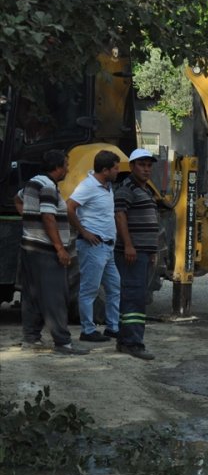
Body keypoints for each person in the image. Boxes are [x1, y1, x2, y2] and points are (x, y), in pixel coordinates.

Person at [16, 149, 87, 355]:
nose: (67, 168)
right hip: (46, 250)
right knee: (55, 296)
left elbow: (17, 199)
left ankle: (31, 338)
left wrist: (29, 220)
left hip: (30, 247)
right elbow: (48, 217)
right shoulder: (47, 187)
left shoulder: (33, 182)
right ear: (57, 167)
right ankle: (63, 343)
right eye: (65, 164)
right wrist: (59, 248)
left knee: (31, 295)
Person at [67, 150, 122, 343]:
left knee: (114, 287)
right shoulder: (88, 186)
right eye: (116, 168)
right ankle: (87, 330)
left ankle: (113, 327)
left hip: (107, 247)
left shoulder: (107, 186)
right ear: (105, 170)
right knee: (89, 290)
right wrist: (84, 232)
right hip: (93, 246)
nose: (118, 171)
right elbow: (69, 206)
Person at [114, 149, 160, 361]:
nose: (146, 169)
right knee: (134, 297)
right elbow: (120, 216)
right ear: (131, 166)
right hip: (132, 254)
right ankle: (134, 343)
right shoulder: (127, 189)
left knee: (134, 296)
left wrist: (152, 251)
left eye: (149, 165)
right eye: (141, 165)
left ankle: (125, 341)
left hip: (143, 253)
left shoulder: (146, 190)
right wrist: (129, 245)